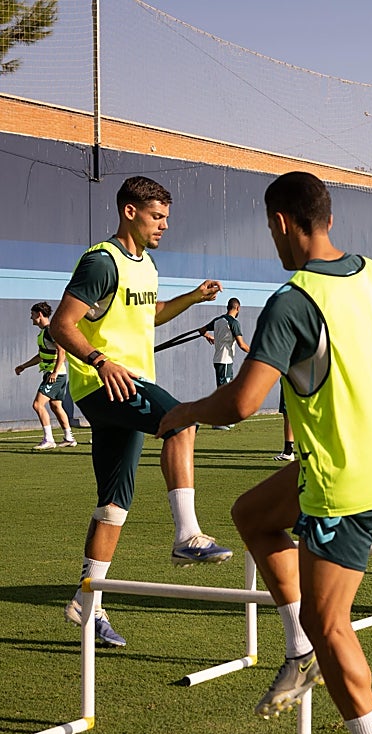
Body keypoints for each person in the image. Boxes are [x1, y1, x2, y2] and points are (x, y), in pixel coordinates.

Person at [157, 171, 372, 734]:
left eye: (269, 229)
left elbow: (243, 402)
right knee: (252, 513)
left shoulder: (294, 299)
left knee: (332, 623)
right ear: (326, 217)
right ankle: (299, 650)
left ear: (282, 223)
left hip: (342, 482)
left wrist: (184, 412)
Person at [50, 176, 234, 649]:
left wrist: (192, 298)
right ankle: (187, 535)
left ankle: (87, 603)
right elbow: (61, 325)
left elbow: (148, 315)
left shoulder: (146, 266)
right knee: (182, 419)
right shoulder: (102, 261)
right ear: (129, 212)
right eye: (157, 216)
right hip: (108, 383)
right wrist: (100, 361)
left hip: (121, 387)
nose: (164, 225)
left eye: (166, 218)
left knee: (113, 504)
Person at [14, 301, 77, 450]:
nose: (31, 317)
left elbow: (62, 351)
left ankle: (49, 440)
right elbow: (41, 356)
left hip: (55, 375)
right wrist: (24, 366)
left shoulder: (50, 331)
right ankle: (69, 438)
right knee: (56, 406)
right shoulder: (44, 333)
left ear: (39, 314)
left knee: (37, 405)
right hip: (56, 374)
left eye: (32, 314)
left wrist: (54, 372)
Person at [202, 297, 251, 430]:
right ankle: (218, 421)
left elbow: (202, 330)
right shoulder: (233, 323)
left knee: (226, 390)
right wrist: (255, 353)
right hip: (224, 361)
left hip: (221, 360)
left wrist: (209, 336)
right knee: (223, 392)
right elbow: (242, 345)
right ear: (237, 308)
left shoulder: (218, 320)